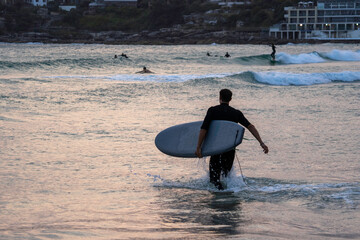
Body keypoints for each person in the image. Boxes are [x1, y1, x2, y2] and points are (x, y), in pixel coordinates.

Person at [195, 89, 269, 190]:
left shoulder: (212, 110)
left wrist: (198, 147)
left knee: (214, 179)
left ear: (219, 98)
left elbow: (204, 129)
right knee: (226, 177)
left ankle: (219, 200)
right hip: (229, 149)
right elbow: (250, 126)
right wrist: (262, 143)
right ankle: (228, 199)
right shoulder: (236, 113)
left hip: (216, 148)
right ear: (230, 99)